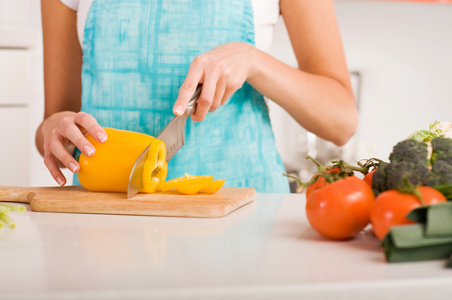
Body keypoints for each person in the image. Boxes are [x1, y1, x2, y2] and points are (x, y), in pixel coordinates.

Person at [36, 0, 358, 193]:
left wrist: (254, 61)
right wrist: (55, 127)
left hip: (242, 227)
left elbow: (341, 119)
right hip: (106, 229)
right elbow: (53, 122)